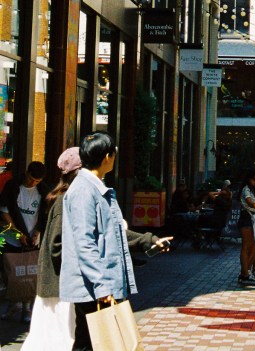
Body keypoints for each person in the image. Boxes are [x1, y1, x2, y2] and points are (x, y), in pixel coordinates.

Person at [60, 132, 172, 350]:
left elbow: (113, 233)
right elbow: (84, 243)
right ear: (107, 157)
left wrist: (150, 241)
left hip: (99, 284)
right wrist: (102, 287)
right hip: (94, 286)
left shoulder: (95, 187)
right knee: (94, 342)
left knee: (92, 342)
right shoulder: (84, 190)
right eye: (114, 152)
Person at [21, 147, 81, 349]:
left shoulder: (59, 195)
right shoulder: (65, 199)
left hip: (57, 281)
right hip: (60, 281)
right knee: (57, 334)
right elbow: (57, 245)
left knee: (51, 333)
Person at [1, 160, 48, 323]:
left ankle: (26, 307)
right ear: (26, 173)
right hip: (13, 237)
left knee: (30, 273)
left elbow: (44, 216)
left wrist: (36, 233)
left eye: (37, 181)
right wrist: (17, 234)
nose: (33, 183)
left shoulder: (42, 191)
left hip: (32, 239)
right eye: (31, 179)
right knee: (11, 272)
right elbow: (5, 212)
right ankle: (13, 302)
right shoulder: (13, 186)